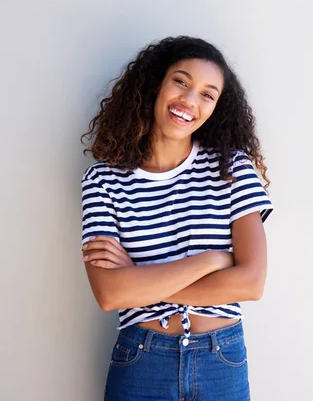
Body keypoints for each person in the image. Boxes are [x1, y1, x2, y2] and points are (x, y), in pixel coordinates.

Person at [79, 35, 274, 400]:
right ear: (157, 84)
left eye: (207, 93)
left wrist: (138, 282)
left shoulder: (232, 168)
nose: (189, 100)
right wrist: (212, 260)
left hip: (222, 360)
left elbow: (251, 283)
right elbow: (109, 294)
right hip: (141, 359)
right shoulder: (103, 181)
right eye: (181, 82)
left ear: (216, 107)